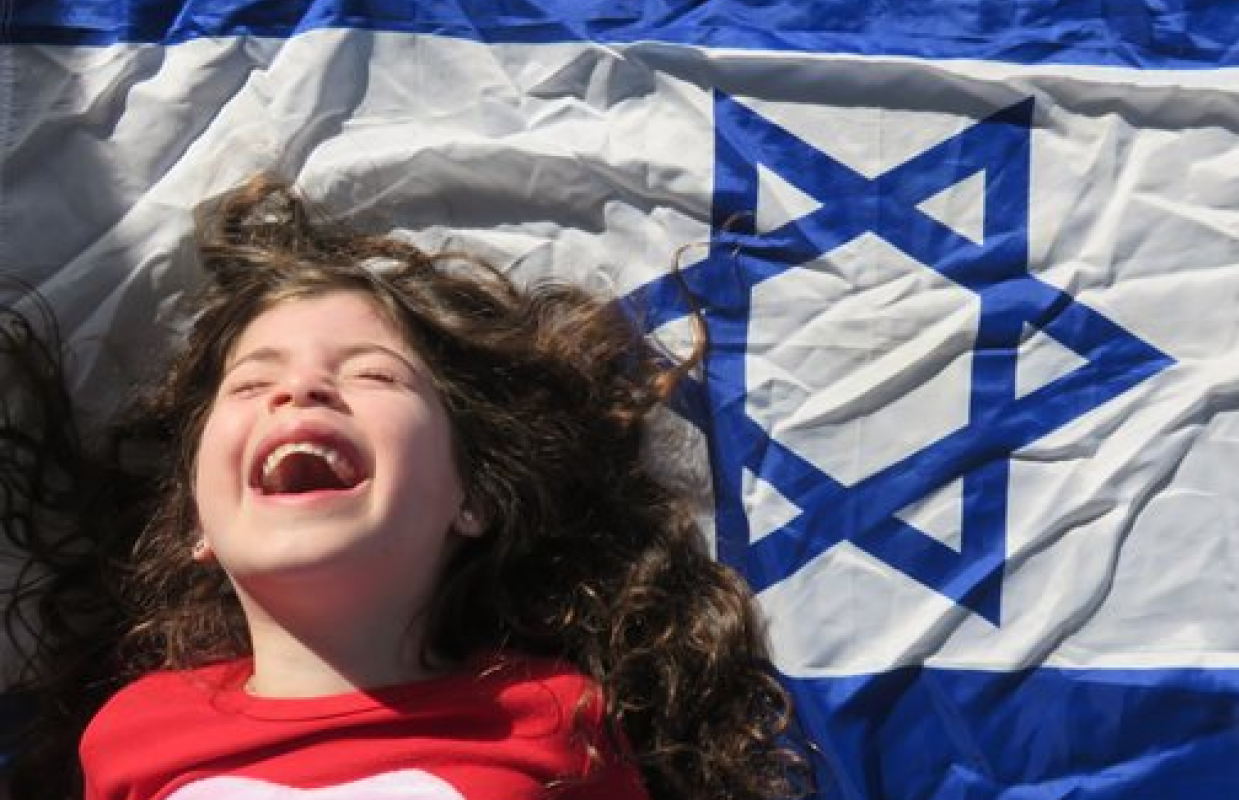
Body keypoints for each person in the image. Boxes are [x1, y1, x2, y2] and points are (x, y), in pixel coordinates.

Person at [0, 176, 813, 800]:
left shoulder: (558, 717)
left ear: (474, 499)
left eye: (373, 375)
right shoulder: (131, 733)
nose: (301, 391)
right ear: (196, 525)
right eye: (250, 385)